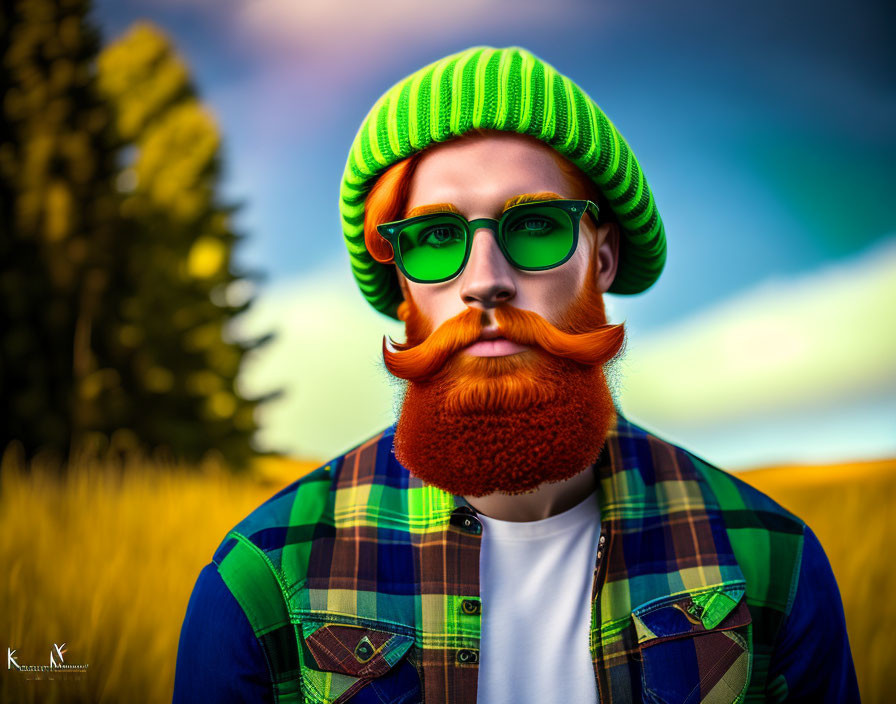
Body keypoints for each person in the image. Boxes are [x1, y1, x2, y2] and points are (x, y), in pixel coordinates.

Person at [173, 46, 859, 703]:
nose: (486, 282)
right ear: (401, 279)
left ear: (604, 255)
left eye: (534, 226)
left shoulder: (771, 563)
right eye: (437, 239)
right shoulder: (263, 578)